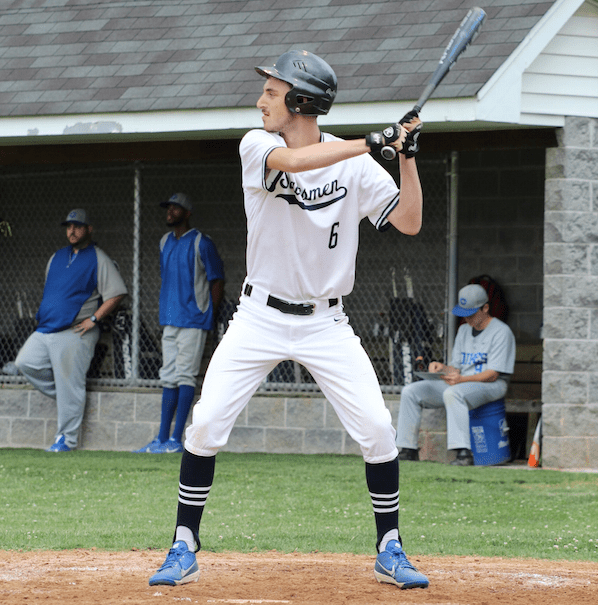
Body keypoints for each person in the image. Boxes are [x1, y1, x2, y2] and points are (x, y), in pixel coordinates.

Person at [148, 50, 429, 590]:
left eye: (273, 93)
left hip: (327, 323)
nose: (261, 101)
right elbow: (298, 164)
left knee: (377, 429)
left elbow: (410, 221)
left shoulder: (355, 163)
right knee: (205, 424)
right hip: (259, 316)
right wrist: (373, 141)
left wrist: (407, 157)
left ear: (301, 101)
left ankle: (390, 548)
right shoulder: (258, 145)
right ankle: (183, 544)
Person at [15, 209, 127, 452]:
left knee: (70, 387)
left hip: (76, 331)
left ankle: (67, 440)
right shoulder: (57, 257)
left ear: (89, 229)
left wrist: (94, 319)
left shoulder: (98, 258)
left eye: (77, 226)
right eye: (69, 226)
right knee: (25, 362)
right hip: (46, 329)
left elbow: (117, 293)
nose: (72, 231)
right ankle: (71, 398)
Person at [134, 193, 225, 454]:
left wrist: (208, 315)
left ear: (187, 213)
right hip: (170, 318)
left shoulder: (201, 242)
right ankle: (161, 438)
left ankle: (176, 440)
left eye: (176, 208)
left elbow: (217, 280)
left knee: (185, 375)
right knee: (169, 375)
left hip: (194, 320)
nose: (170, 212)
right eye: (169, 208)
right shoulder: (164, 241)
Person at [396, 283, 516, 466]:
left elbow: (493, 374)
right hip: (463, 382)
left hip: (493, 385)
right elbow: (457, 368)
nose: (467, 318)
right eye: (464, 313)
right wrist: (442, 368)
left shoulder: (501, 331)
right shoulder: (464, 330)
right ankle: (407, 449)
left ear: (485, 308)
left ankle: (463, 453)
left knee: (453, 393)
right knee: (410, 391)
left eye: (472, 313)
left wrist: (461, 380)